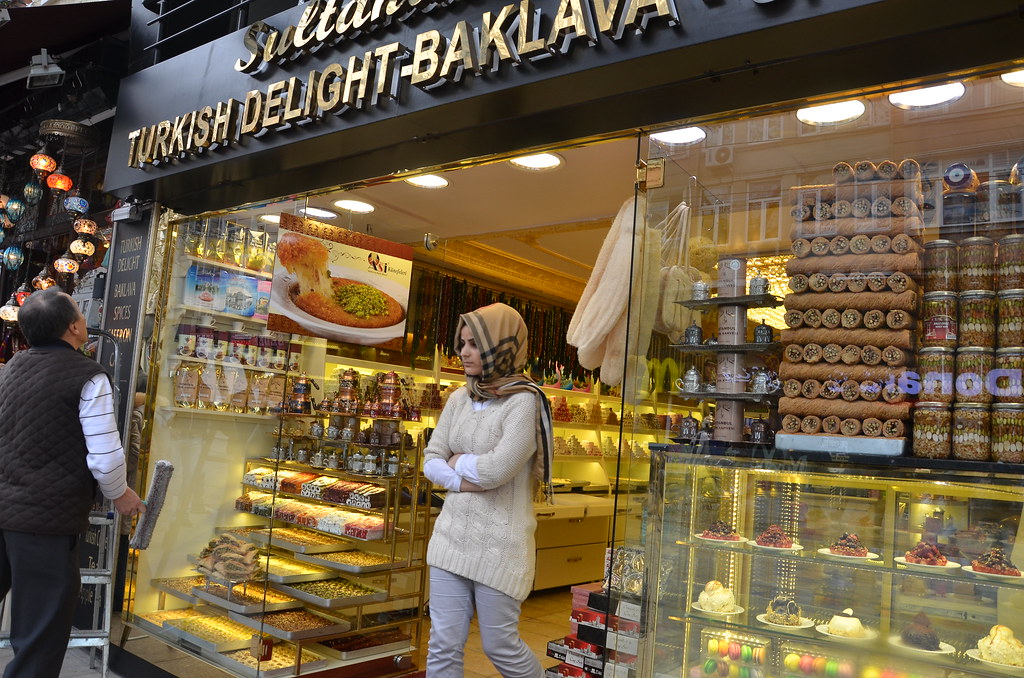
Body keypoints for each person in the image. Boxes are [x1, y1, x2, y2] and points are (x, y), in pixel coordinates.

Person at [0, 288, 146, 678]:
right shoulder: (89, 375)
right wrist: (121, 494)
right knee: (39, 638)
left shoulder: (13, 366)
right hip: (45, 522)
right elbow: (105, 454)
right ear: (74, 326)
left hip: (4, 509)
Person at [422, 302, 553, 678]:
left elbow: (498, 470)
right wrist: (463, 476)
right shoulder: (459, 398)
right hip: (450, 539)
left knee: (501, 647)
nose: (463, 352)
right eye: (462, 343)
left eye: (474, 344)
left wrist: (455, 462)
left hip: (501, 545)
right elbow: (430, 458)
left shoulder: (524, 401)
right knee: (443, 645)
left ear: (502, 347)